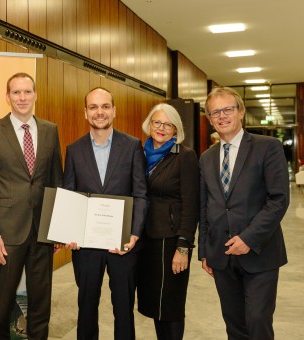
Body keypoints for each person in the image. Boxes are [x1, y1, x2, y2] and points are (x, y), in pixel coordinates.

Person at [0, 72, 63, 339]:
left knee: (41, 304)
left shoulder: (50, 129)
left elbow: (55, 182)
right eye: (16, 92)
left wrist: (57, 227)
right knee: (2, 304)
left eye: (27, 92)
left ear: (35, 94)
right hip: (6, 234)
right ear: (7, 96)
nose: (22, 97)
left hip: (42, 233)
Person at [199, 86, 289, 339]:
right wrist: (205, 250)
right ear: (209, 119)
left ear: (241, 113)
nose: (222, 116)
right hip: (221, 255)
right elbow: (205, 207)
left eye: (228, 109)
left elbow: (278, 200)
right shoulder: (206, 158)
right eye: (215, 112)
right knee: (234, 324)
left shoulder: (267, 147)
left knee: (258, 321)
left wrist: (248, 238)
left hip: (260, 252)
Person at [63, 87, 148, 340]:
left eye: (105, 106)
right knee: (86, 306)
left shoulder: (132, 146)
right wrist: (69, 231)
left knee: (124, 308)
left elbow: (141, 193)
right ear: (85, 112)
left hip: (122, 243)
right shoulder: (74, 150)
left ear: (114, 110)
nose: (99, 112)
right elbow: (69, 195)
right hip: (86, 246)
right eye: (93, 107)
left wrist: (134, 233)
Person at [136, 103, 199, 340]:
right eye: (157, 122)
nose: (161, 128)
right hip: (144, 239)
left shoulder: (185, 156)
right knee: (155, 304)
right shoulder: (140, 153)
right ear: (149, 125)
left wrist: (183, 247)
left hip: (171, 241)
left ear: (176, 129)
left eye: (168, 124)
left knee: (170, 306)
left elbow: (191, 204)